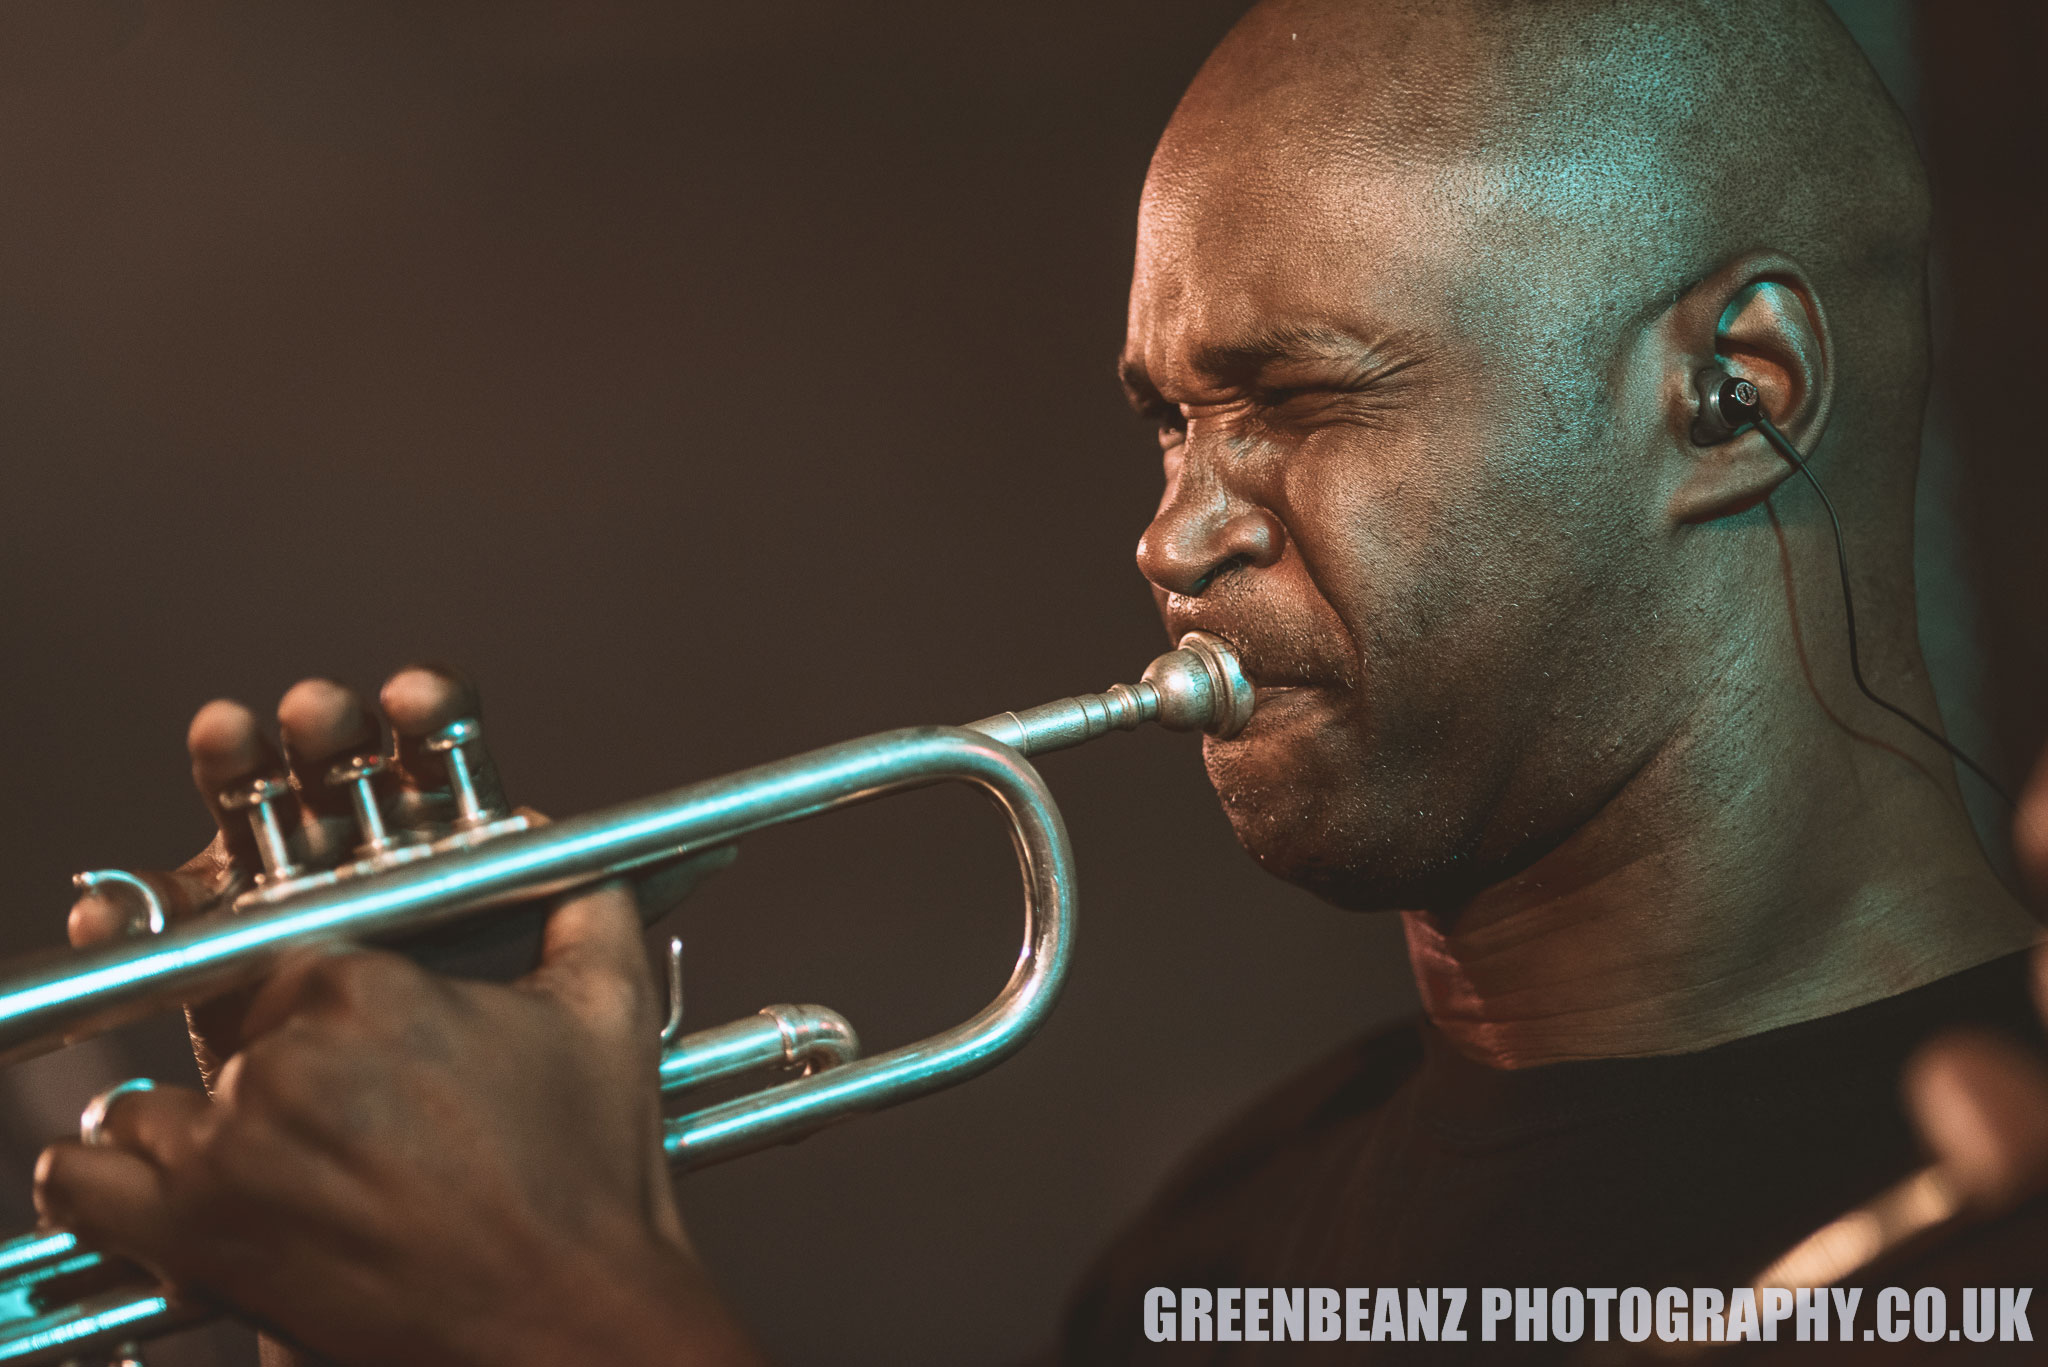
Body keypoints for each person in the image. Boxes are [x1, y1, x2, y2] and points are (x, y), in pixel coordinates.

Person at [34, 0, 2048, 1362]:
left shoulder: (1990, 1219)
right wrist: (360, 1268)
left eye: (1293, 403)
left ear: (1733, 395)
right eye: (1170, 424)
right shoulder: (1219, 1243)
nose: (1173, 538)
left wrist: (557, 1310)